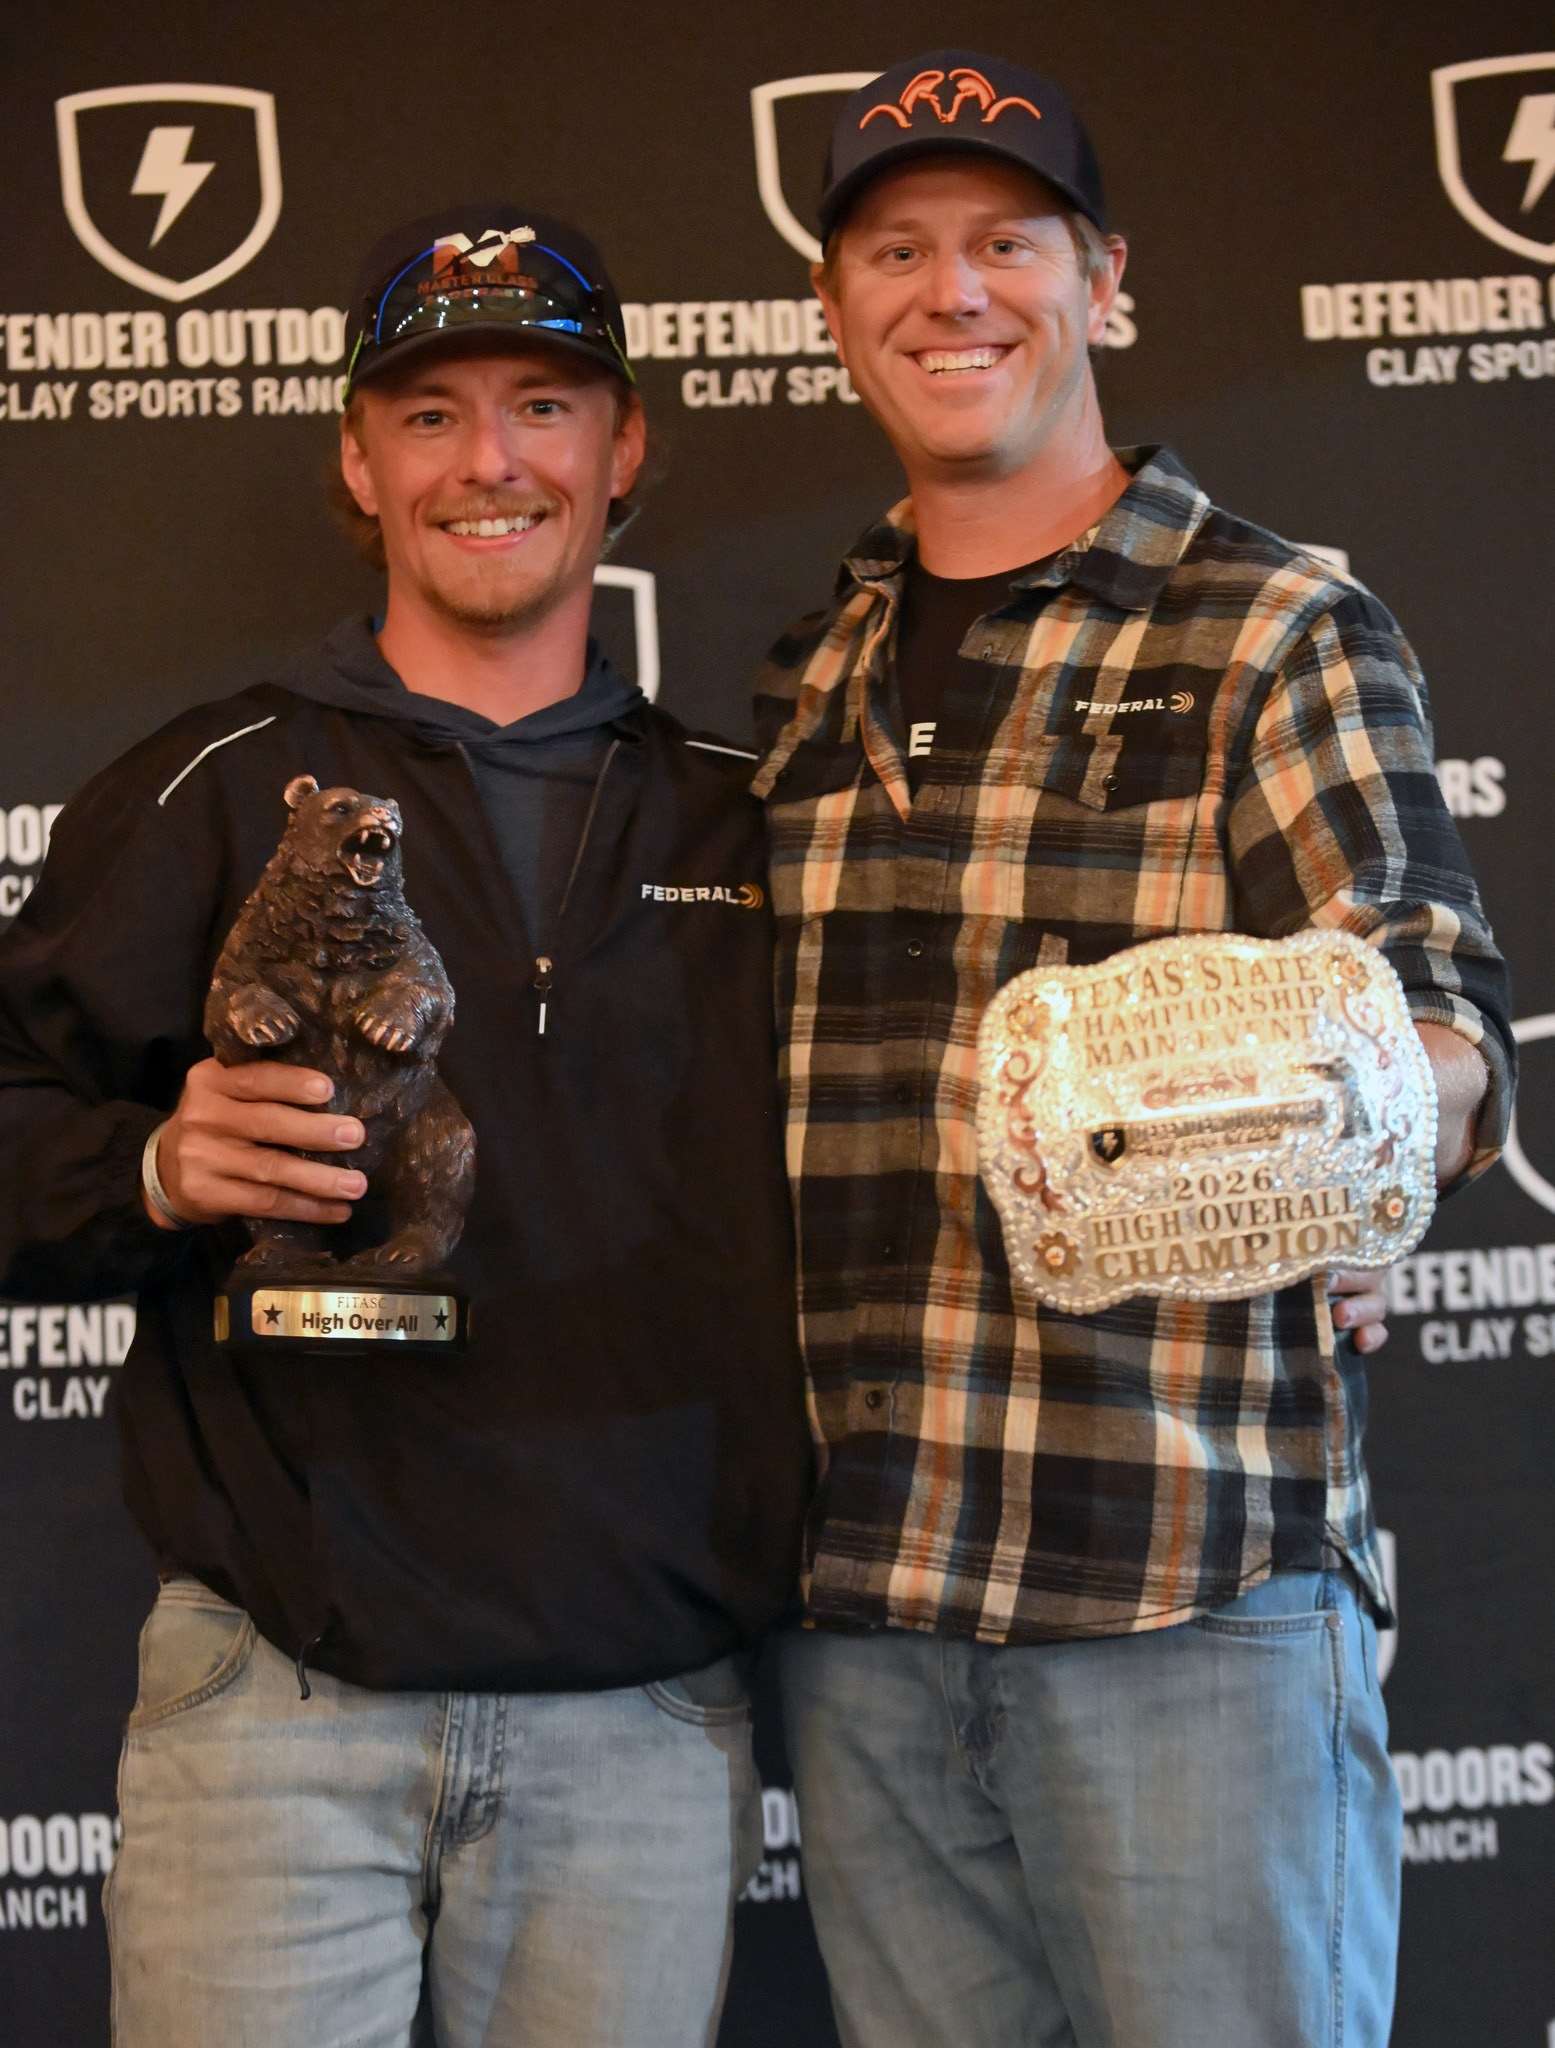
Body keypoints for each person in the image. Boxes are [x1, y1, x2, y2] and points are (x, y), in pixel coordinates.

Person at [753, 53, 1515, 2048]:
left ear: (1104, 285)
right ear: (836, 310)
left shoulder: (1271, 624)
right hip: (865, 1612)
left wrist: (1364, 1148)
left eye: (1009, 241)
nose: (954, 291)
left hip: (1183, 1593)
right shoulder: (809, 669)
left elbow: (1433, 1018)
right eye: (897, 249)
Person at [0, 204, 809, 2046]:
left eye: (544, 401)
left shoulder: (751, 819)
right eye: (431, 414)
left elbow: (932, 1161)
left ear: (628, 450)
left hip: (642, 1713)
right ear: (357, 462)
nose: (492, 461)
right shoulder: (216, 785)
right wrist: (146, 1164)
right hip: (278, 1700)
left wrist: (1275, 1232)